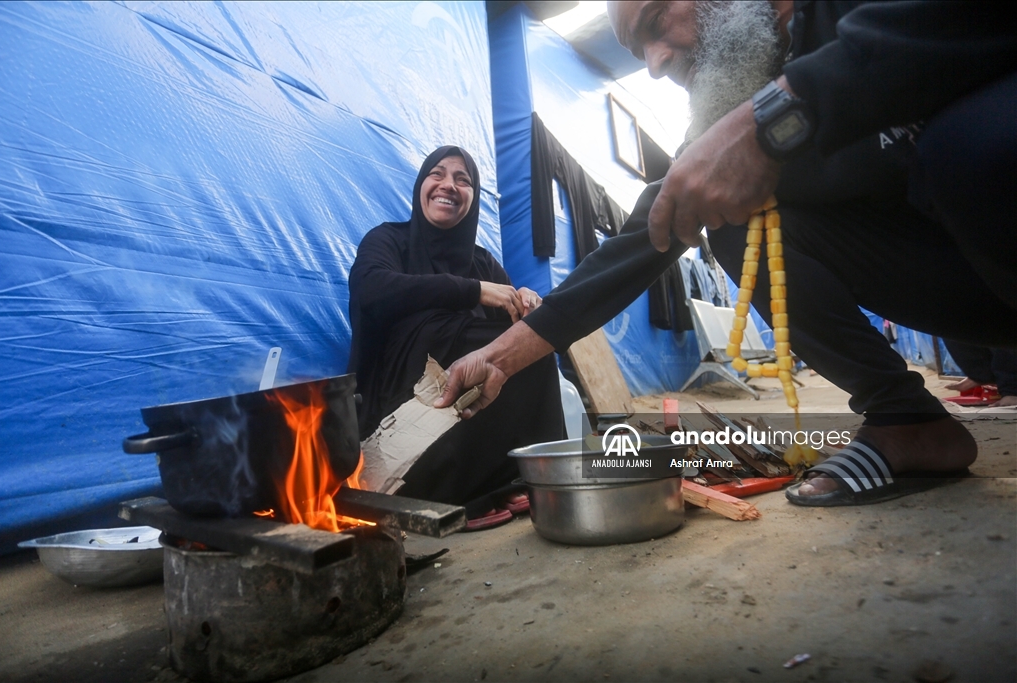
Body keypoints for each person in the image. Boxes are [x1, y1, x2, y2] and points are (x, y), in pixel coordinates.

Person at [435, 2, 1016, 507]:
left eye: (657, 23)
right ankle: (907, 421)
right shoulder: (738, 99)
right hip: (970, 289)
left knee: (972, 145)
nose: (656, 62)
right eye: (641, 50)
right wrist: (502, 357)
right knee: (729, 222)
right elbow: (639, 245)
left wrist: (785, 113)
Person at [347, 146, 564, 522]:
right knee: (446, 331)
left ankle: (515, 476)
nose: (448, 185)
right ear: (420, 185)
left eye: (463, 180)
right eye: (438, 173)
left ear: (473, 197)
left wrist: (525, 301)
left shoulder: (480, 260)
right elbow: (371, 288)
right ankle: (455, 490)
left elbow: (514, 324)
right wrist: (471, 290)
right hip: (396, 400)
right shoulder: (388, 240)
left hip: (463, 397)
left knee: (527, 341)